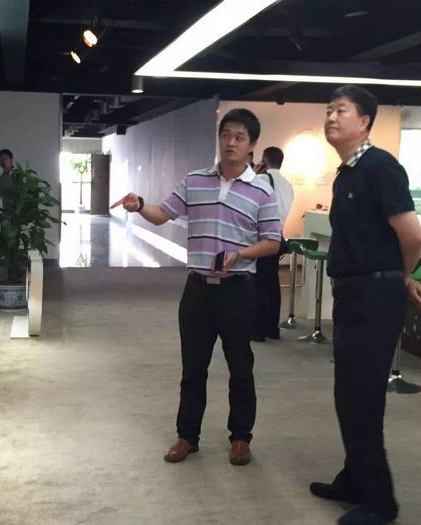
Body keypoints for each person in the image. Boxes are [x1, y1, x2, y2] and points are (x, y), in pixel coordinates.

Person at [111, 109, 281, 466]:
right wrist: (139, 206)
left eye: (239, 137)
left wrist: (240, 254)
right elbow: (163, 214)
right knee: (193, 367)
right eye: (226, 135)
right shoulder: (195, 180)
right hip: (198, 290)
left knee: (240, 367)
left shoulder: (262, 190)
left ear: (252, 145)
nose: (230, 142)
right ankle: (187, 436)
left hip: (238, 290)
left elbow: (272, 242)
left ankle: (240, 437)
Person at [309, 85, 421, 525]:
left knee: (362, 397)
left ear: (364, 122)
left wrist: (401, 277)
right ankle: (355, 479)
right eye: (328, 110)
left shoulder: (381, 167)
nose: (331, 117)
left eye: (340, 111)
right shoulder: (348, 173)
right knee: (349, 395)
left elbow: (412, 235)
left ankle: (380, 503)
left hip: (374, 297)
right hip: (351, 294)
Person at [252, 147, 294, 341]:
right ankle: (272, 328)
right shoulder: (288, 185)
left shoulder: (260, 179)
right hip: (278, 234)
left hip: (262, 235)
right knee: (272, 282)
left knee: (259, 283)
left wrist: (254, 174)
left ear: (264, 160)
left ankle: (258, 329)